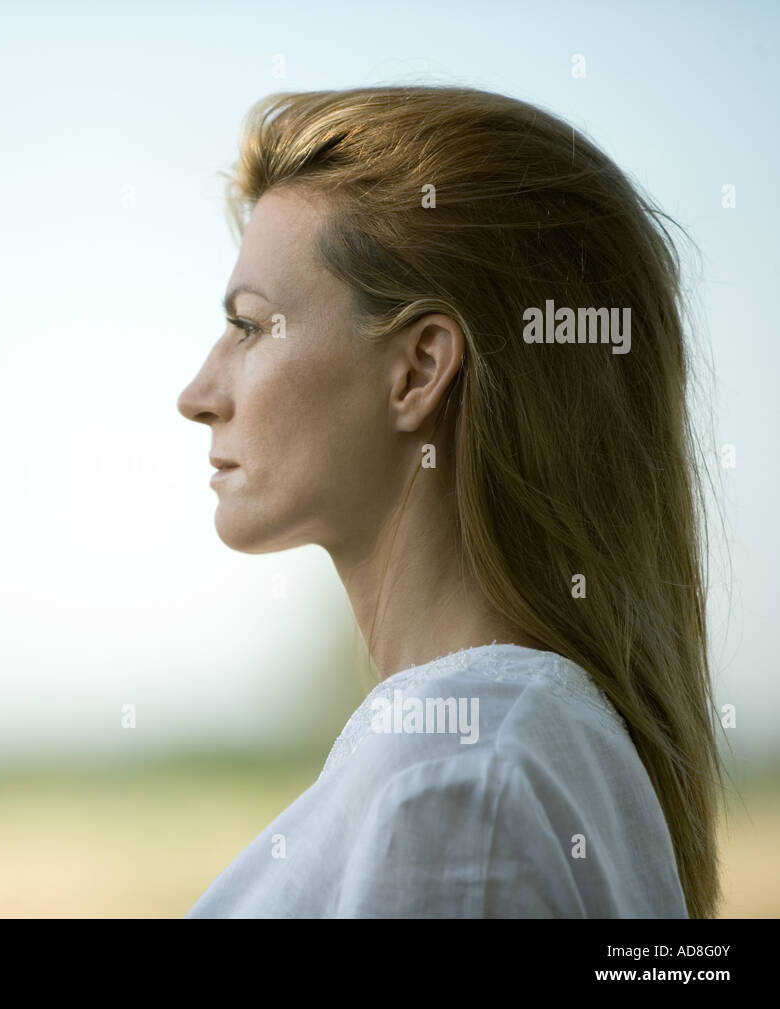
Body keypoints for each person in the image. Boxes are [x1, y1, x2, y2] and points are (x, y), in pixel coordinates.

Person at [176, 86, 724, 918]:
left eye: (250, 326)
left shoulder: (459, 783)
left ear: (420, 370)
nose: (198, 394)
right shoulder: (508, 747)